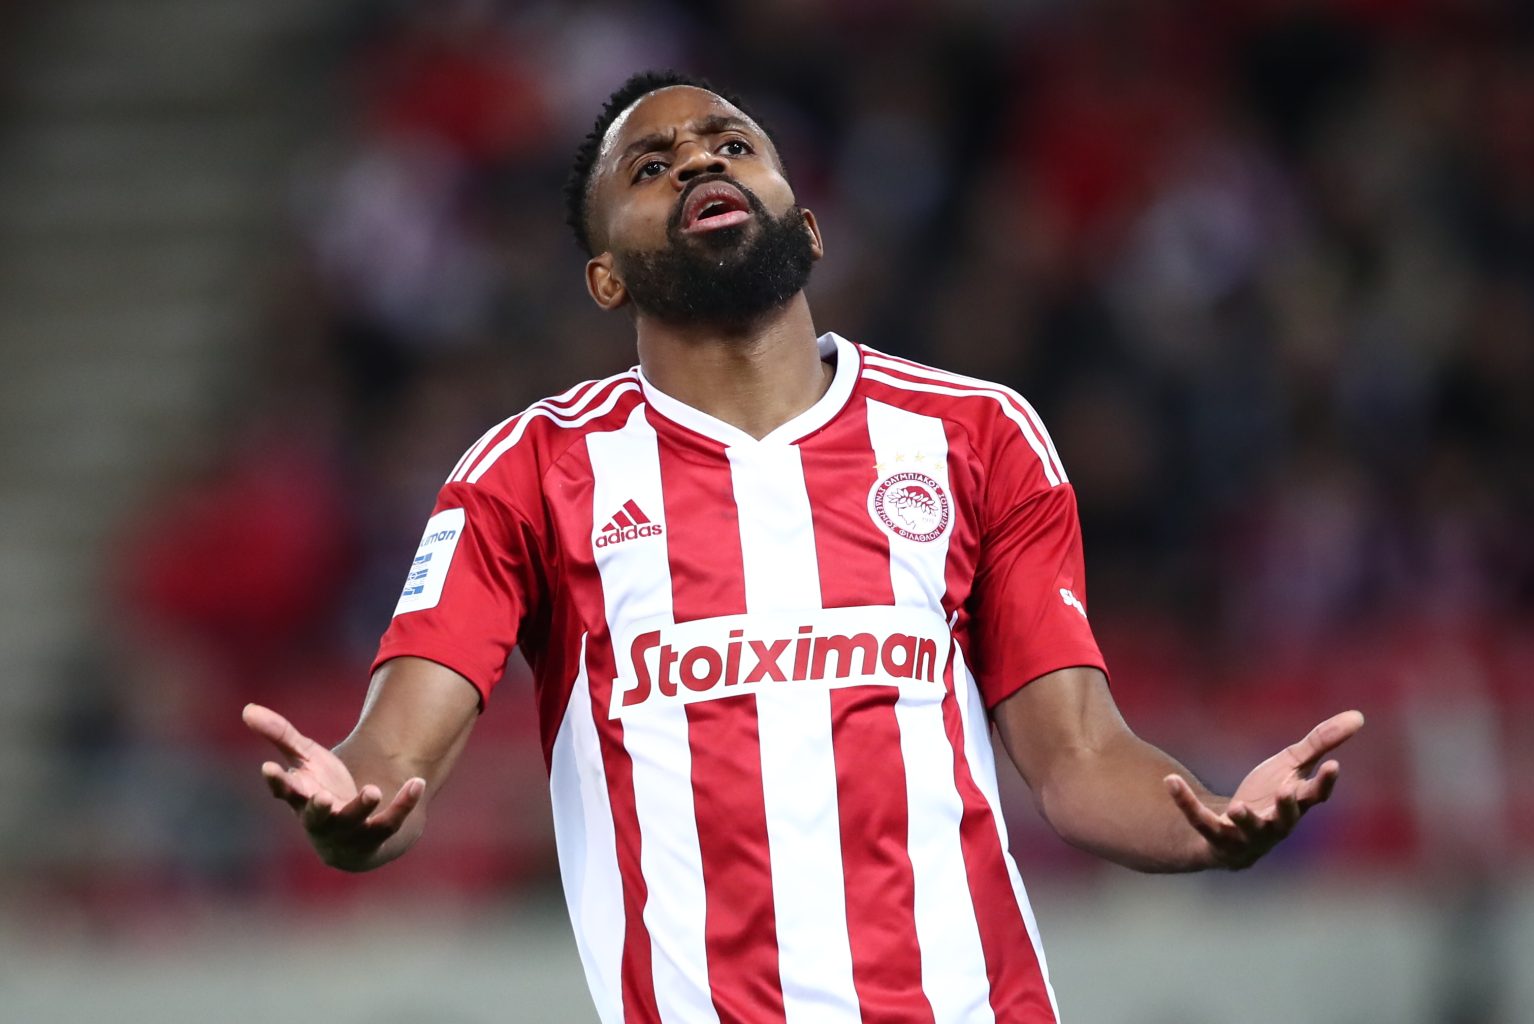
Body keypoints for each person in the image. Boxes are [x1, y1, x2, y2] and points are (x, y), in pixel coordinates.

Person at [244, 70, 1364, 1023]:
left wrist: (1207, 823)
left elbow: (1076, 758)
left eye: (732, 145)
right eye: (650, 166)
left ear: (808, 225)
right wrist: (350, 810)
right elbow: (399, 754)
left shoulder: (975, 435)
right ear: (606, 277)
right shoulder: (530, 473)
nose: (698, 160)